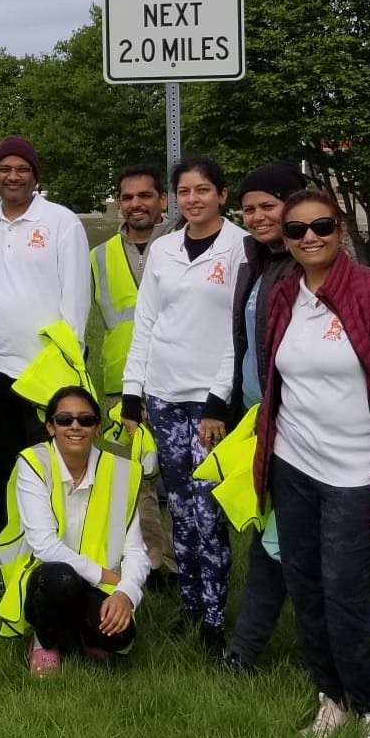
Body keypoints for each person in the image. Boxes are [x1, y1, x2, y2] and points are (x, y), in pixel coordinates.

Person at [251, 187, 370, 738]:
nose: (309, 237)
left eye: (321, 226)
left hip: (356, 473)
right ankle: (330, 699)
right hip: (294, 465)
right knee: (305, 584)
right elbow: (275, 382)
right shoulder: (284, 294)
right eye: (296, 230)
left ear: (340, 229)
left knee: (346, 591)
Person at [121, 156, 247, 653]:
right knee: (180, 510)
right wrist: (134, 393)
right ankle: (191, 606)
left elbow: (239, 331)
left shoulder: (242, 248)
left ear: (222, 194)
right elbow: (147, 321)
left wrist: (219, 399)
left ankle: (215, 618)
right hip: (164, 395)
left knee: (208, 512)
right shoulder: (166, 248)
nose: (193, 200)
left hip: (210, 401)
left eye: (203, 190)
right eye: (185, 192)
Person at [200, 161, 308, 673]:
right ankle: (254, 648)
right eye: (250, 209)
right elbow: (245, 345)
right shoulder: (258, 263)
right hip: (258, 420)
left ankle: (246, 651)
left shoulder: (306, 266)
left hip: (298, 425)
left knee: (278, 540)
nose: (259, 216)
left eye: (270, 205)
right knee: (272, 534)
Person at [0, 135, 90, 523]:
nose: (13, 176)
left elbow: (76, 297)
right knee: (3, 468)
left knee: (51, 468)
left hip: (45, 373)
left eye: (22, 169)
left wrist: (68, 363)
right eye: (4, 169)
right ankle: (14, 549)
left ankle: (55, 553)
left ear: (35, 176)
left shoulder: (61, 221)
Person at [0, 387, 150, 676]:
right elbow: (44, 545)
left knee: (119, 637)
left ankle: (86, 635)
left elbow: (136, 551)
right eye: (65, 420)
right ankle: (45, 641)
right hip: (48, 576)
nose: (75, 426)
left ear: (97, 427)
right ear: (50, 427)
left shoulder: (120, 472)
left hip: (98, 584)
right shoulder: (34, 464)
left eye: (85, 420)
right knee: (60, 579)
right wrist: (107, 576)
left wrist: (125, 594)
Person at [91, 164, 176, 580]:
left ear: (162, 200)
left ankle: (185, 560)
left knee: (180, 475)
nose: (135, 205)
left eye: (145, 196)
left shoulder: (182, 246)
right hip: (121, 382)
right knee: (133, 479)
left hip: (178, 378)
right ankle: (154, 562)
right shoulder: (98, 256)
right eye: (127, 197)